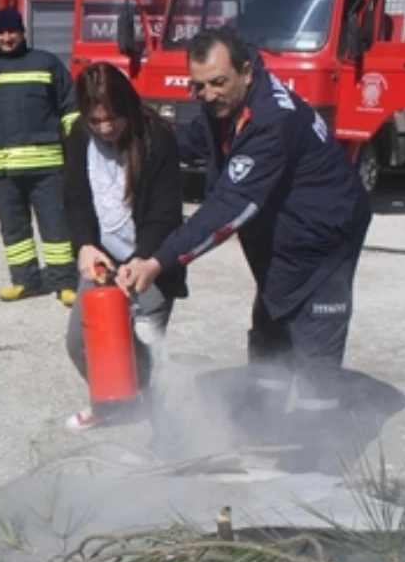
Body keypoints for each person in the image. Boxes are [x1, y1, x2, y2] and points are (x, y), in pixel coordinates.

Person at [116, 28, 373, 468]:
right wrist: (136, 143)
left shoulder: (272, 122)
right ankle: (263, 425)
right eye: (198, 85)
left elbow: (227, 210)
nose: (208, 94)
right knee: (271, 326)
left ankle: (315, 460)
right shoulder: (227, 106)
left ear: (246, 71)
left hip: (324, 243)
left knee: (315, 351)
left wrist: (159, 260)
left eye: (218, 82)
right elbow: (192, 140)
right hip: (280, 241)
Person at [61, 62, 185, 431]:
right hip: (103, 259)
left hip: (150, 261)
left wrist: (143, 260)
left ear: (128, 106)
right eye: (95, 120)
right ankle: (112, 405)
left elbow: (165, 214)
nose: (105, 128)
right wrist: (83, 244)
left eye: (112, 118)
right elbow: (74, 198)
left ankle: (165, 430)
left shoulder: (158, 139)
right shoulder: (80, 137)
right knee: (79, 342)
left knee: (145, 347)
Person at [0, 8, 79, 306]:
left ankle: (65, 283)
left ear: (22, 32)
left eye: (12, 32)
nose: (6, 38)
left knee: (56, 226)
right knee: (14, 229)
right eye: (0, 33)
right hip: (3, 171)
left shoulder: (47, 63)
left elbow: (70, 107)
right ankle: (25, 281)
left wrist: (78, 144)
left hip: (47, 167)